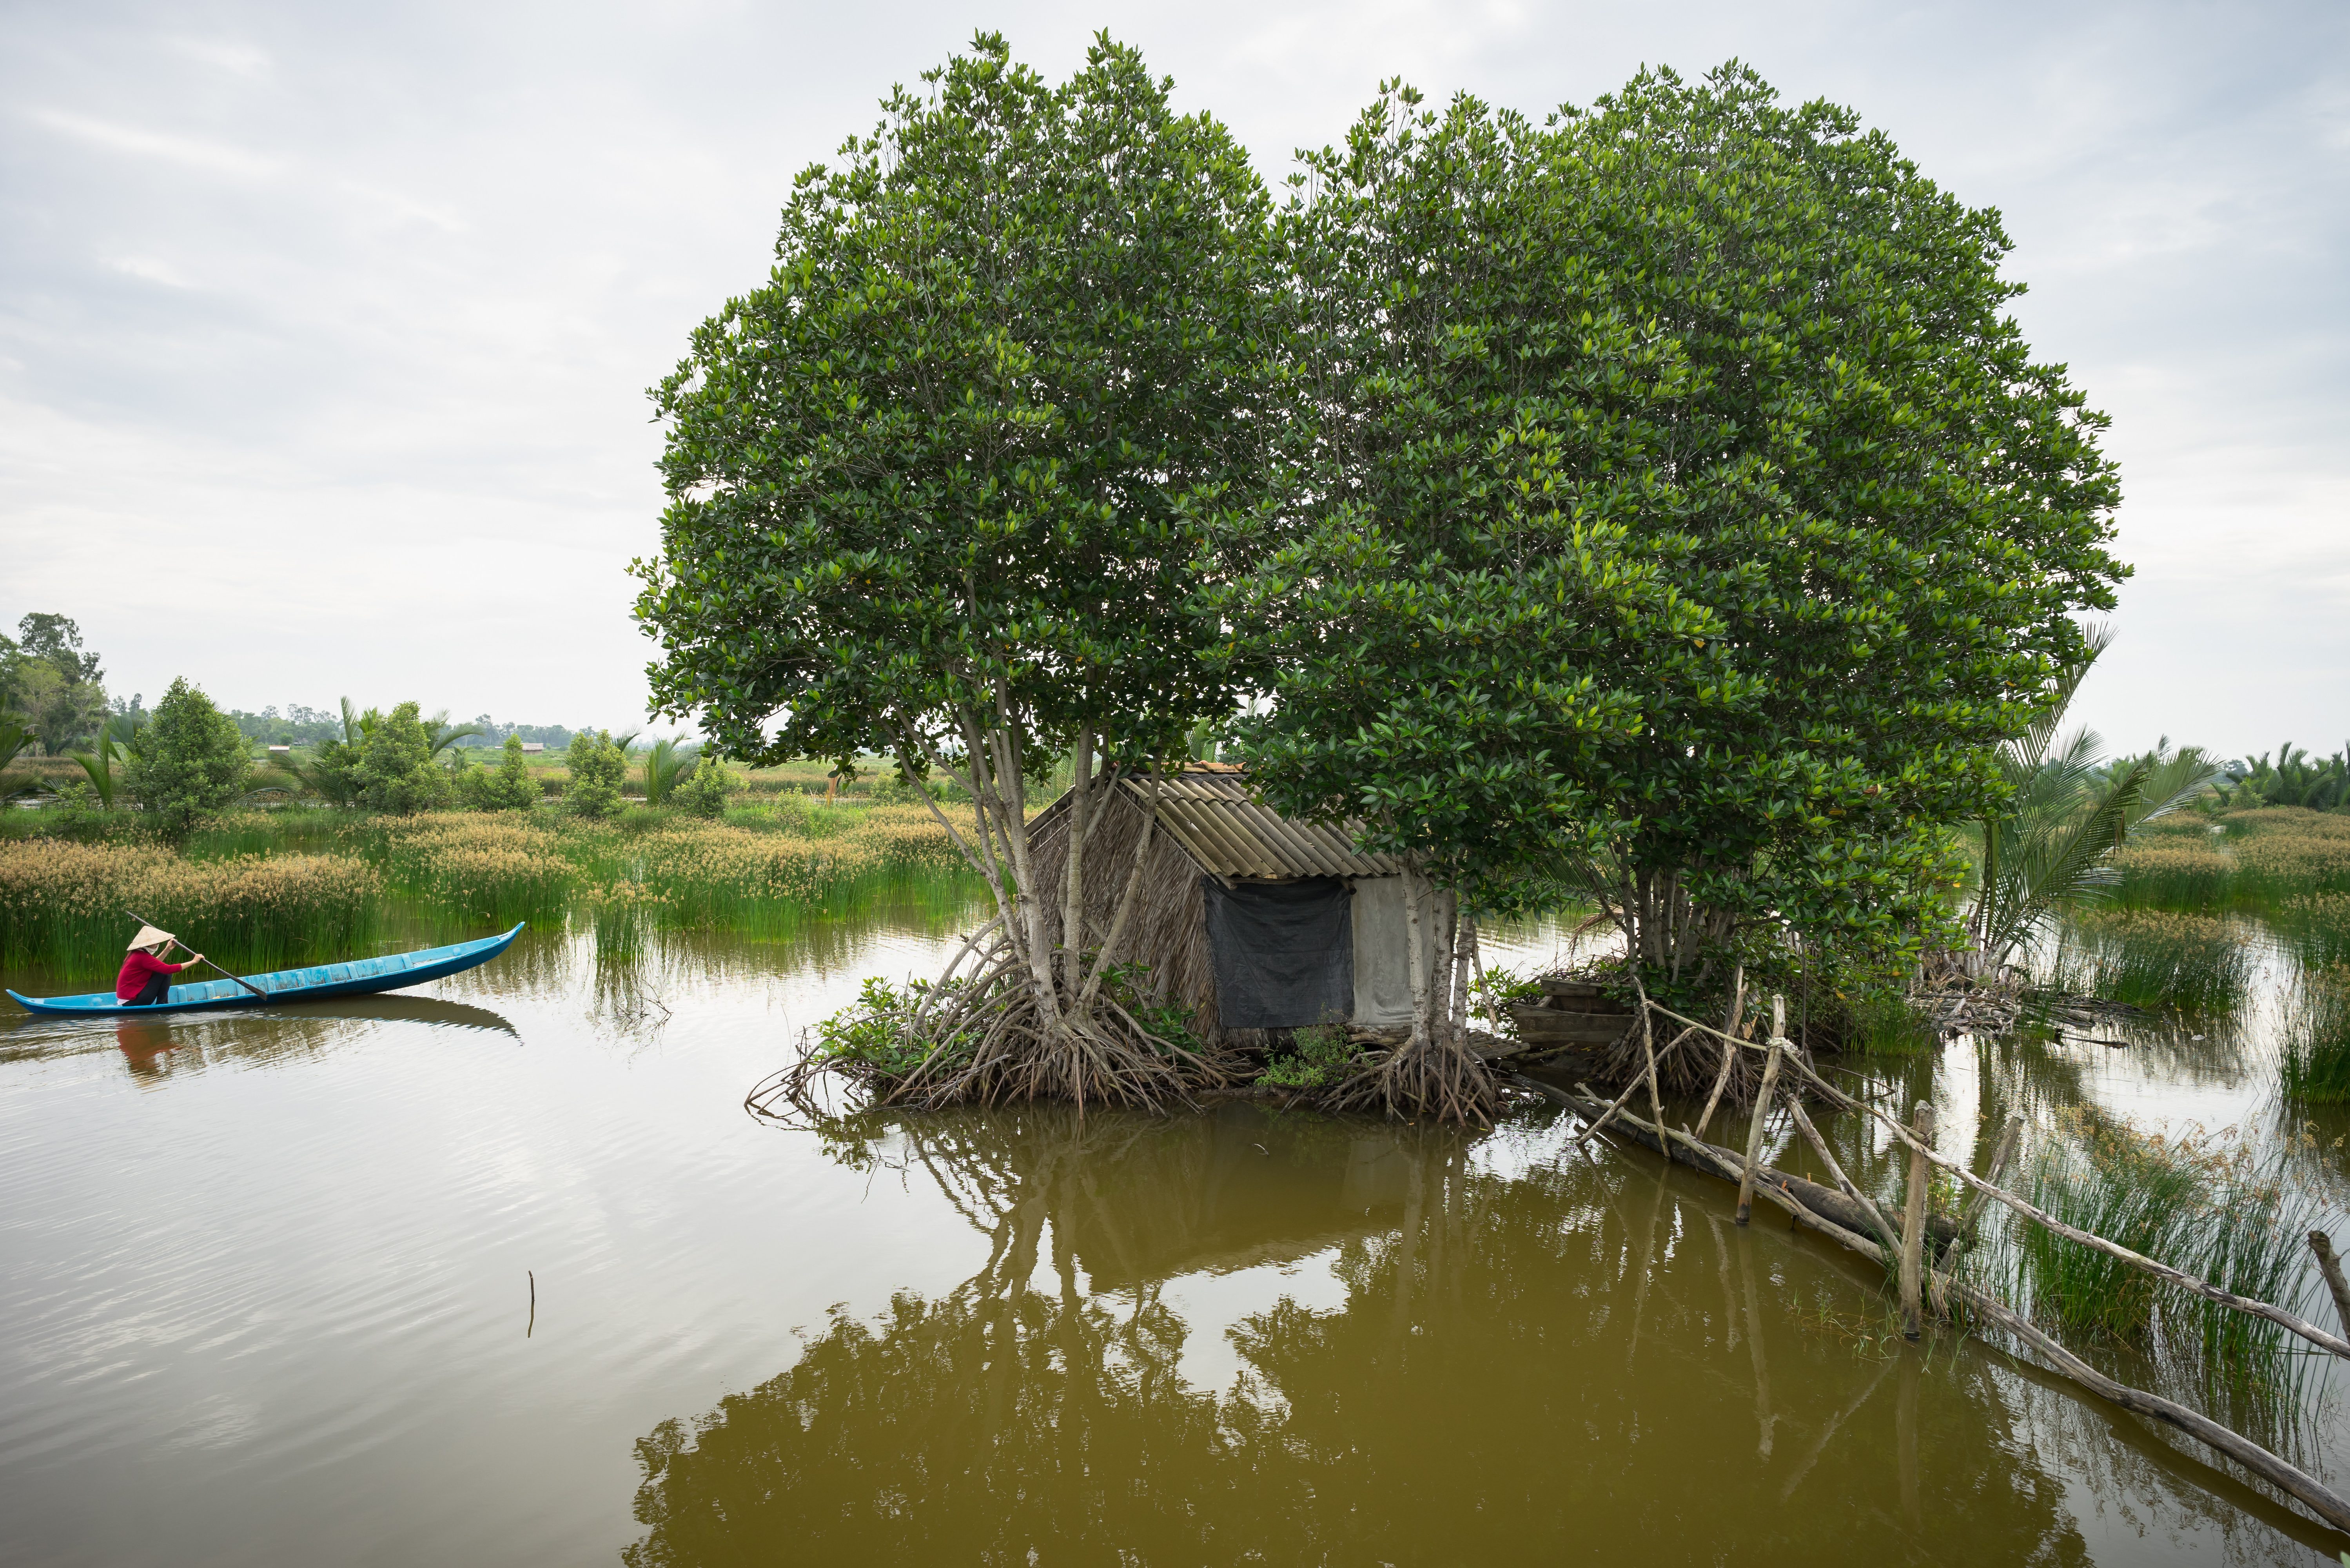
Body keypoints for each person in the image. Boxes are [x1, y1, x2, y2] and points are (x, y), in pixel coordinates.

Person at [116, 926, 202, 1007]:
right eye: (155, 942)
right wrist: (194, 961)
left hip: (129, 1000)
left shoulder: (136, 954)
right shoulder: (142, 957)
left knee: (161, 972)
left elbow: (155, 964)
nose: (158, 944)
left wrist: (168, 949)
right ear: (148, 944)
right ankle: (163, 1004)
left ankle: (162, 1003)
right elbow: (169, 970)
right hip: (132, 1002)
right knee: (166, 974)